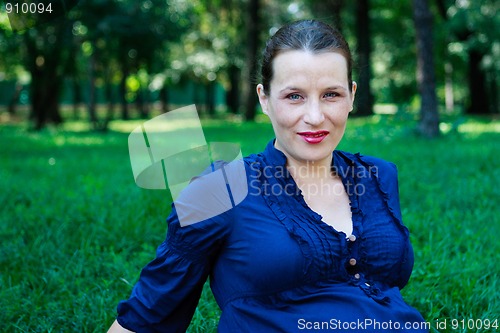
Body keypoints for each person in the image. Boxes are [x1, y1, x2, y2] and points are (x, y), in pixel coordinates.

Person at [108, 19, 428, 333]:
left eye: (331, 94)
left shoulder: (378, 176)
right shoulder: (218, 188)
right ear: (264, 98)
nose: (315, 117)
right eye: (294, 96)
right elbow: (148, 314)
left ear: (352, 95)